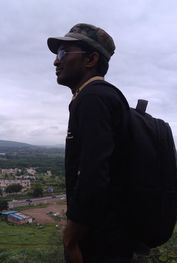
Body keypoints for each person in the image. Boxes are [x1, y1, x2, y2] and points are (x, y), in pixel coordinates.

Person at [47, 24, 134, 262]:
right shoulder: (101, 96)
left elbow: (93, 172)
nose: (56, 61)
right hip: (111, 234)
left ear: (91, 59)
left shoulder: (93, 98)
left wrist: (71, 236)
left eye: (64, 53)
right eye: (57, 54)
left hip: (100, 240)